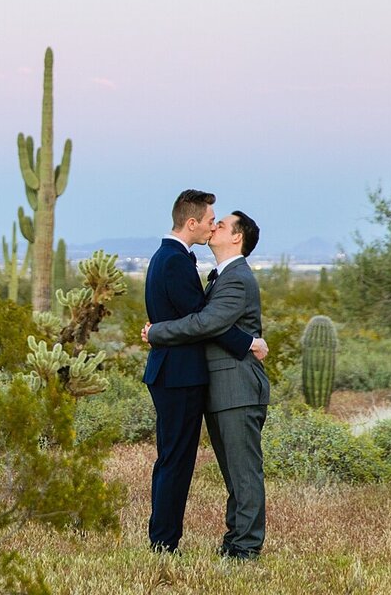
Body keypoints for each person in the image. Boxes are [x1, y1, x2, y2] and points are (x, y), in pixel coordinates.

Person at [141, 190, 263, 554]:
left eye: (221, 224)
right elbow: (204, 320)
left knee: (237, 471)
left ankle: (241, 546)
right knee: (180, 461)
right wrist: (247, 342)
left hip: (232, 387)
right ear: (191, 222)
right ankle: (167, 541)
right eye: (212, 220)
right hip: (185, 378)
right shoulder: (180, 261)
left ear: (237, 237)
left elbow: (205, 321)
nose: (214, 226)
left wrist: (157, 331)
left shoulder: (234, 276)